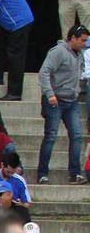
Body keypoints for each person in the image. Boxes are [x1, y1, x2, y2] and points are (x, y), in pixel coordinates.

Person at [37, 25, 88, 186]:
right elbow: (44, 72)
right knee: (51, 136)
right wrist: (49, 93)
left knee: (77, 135)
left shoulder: (79, 54)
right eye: (82, 40)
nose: (84, 44)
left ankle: (75, 173)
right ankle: (42, 173)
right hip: (55, 99)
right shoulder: (57, 51)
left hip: (71, 100)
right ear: (73, 38)